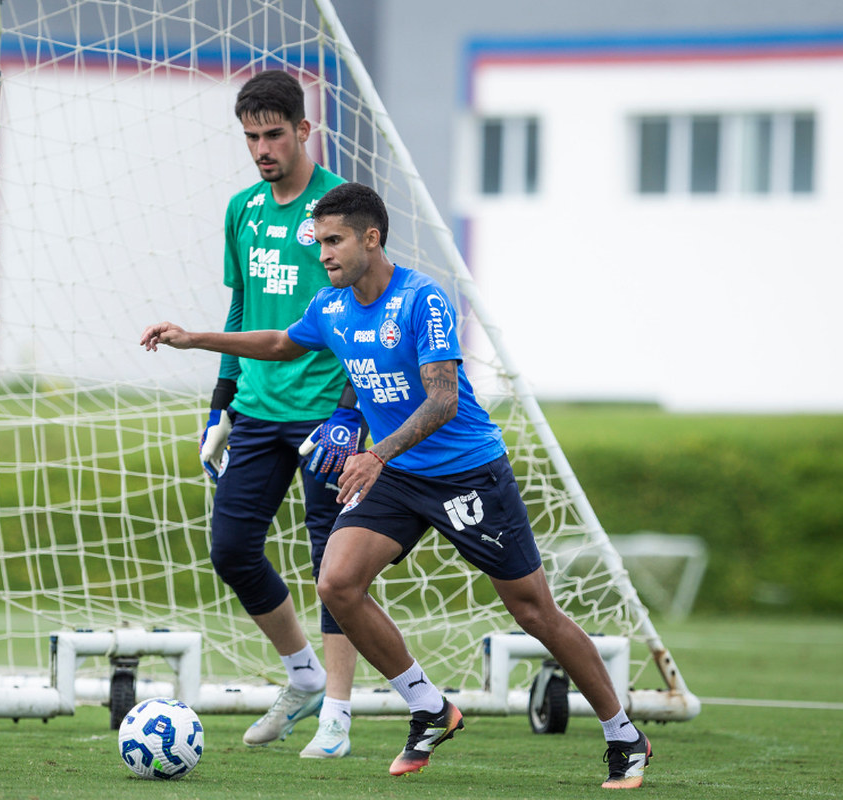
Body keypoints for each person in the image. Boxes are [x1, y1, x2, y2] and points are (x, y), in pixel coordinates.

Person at [140, 182, 654, 789]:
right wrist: (195, 338)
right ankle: (429, 708)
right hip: (398, 475)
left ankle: (625, 735)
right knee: (336, 581)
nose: (323, 254)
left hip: (466, 474)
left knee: (532, 610)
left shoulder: (422, 300)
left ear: (371, 238)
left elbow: (443, 398)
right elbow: (281, 343)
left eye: (334, 242)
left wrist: (374, 453)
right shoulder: (331, 307)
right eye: (320, 242)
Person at [197, 69, 363, 759]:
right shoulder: (242, 209)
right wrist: (221, 403)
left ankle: (338, 712)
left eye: (272, 134)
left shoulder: (340, 206)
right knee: (231, 548)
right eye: (250, 138)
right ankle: (300, 674)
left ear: (303, 129)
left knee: (335, 566)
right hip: (259, 410)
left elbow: (364, 313)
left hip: (325, 412)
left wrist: (353, 414)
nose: (261, 148)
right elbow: (240, 312)